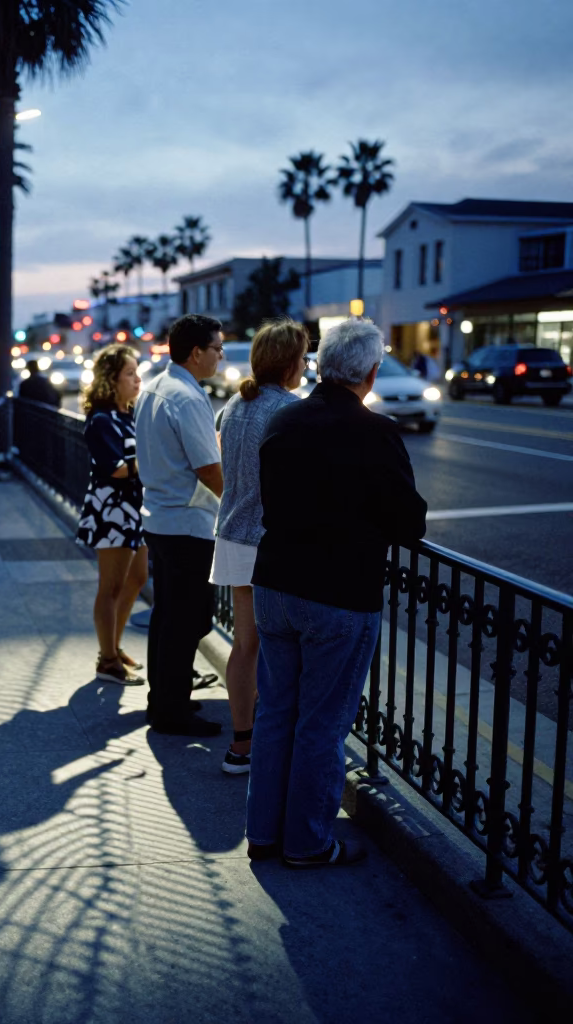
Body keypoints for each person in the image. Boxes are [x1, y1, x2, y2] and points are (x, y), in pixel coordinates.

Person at [246, 318, 427, 867]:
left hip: (275, 585)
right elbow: (408, 523)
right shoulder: (375, 432)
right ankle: (307, 842)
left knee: (276, 712)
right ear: (370, 373)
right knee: (322, 725)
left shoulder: (284, 421)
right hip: (338, 595)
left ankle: (263, 833)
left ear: (321, 365)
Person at [212, 319, 309, 775]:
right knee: (283, 650)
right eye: (304, 356)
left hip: (233, 534)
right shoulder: (291, 409)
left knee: (245, 645)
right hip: (272, 543)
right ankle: (280, 747)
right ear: (290, 363)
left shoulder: (234, 405)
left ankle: (242, 745)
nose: (307, 364)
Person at [134, 313, 225, 736]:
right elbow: (209, 467)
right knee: (188, 619)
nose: (221, 356)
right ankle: (172, 708)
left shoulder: (154, 386)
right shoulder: (187, 398)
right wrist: (236, 504)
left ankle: (165, 699)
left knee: (168, 615)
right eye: (217, 349)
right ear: (196, 353)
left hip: (159, 515)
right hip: (187, 522)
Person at [76, 344, 148, 686]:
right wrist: (152, 462)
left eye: (137, 372)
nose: (137, 379)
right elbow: (117, 469)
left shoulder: (128, 414)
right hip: (111, 510)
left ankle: (114, 648)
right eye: (130, 374)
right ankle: (107, 659)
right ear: (111, 380)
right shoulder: (102, 419)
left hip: (134, 508)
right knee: (112, 586)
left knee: (137, 579)